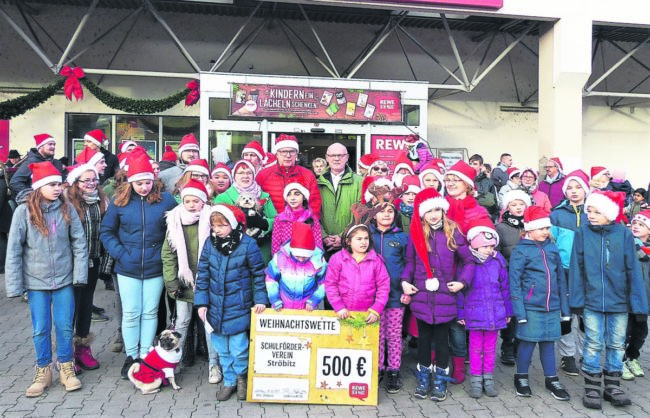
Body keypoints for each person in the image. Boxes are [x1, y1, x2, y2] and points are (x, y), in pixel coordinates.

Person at [5, 161, 87, 397]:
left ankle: (65, 368)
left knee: (63, 326)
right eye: (51, 184)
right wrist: (15, 285)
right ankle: (43, 370)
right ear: (38, 186)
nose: (57, 189)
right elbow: (14, 250)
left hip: (63, 280)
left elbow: (79, 243)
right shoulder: (23, 212)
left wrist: (78, 275)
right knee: (41, 329)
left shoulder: (67, 209)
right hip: (35, 283)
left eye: (59, 184)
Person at [100, 151, 177, 379]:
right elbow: (107, 232)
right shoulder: (118, 202)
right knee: (132, 313)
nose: (144, 187)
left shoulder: (167, 200)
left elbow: (174, 230)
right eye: (139, 183)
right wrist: (121, 254)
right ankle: (131, 356)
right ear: (130, 181)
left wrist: (164, 255)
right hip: (127, 267)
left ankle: (146, 355)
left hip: (155, 266)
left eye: (147, 182)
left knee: (151, 312)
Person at [569, 190, 648, 410]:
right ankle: (592, 386)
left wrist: (638, 305)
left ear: (610, 214)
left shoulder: (623, 234)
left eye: (597, 211)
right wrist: (577, 300)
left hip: (619, 301)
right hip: (592, 301)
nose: (591, 215)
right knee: (593, 343)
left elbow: (633, 269)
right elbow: (577, 267)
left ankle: (612, 386)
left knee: (616, 343)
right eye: (589, 210)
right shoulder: (582, 233)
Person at [400, 188, 474, 402]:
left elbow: (468, 260)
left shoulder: (453, 231)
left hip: (445, 297)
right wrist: (405, 282)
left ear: (443, 210)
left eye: (437, 210)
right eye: (429, 210)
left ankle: (440, 379)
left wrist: (462, 282)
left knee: (442, 341)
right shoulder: (416, 234)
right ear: (421, 213)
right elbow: (411, 262)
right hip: (422, 296)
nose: (433, 214)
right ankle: (424, 378)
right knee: (424, 341)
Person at [194, 204, 268, 401]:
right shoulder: (210, 244)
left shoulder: (248, 244)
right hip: (215, 308)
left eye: (222, 225)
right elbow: (202, 275)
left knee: (239, 347)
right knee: (222, 348)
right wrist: (201, 303)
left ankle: (242, 378)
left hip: (239, 305)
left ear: (233, 224)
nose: (217, 230)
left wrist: (261, 299)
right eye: (214, 226)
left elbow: (259, 275)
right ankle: (229, 381)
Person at [161, 179, 223, 383]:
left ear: (203, 201)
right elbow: (169, 255)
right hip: (184, 282)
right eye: (187, 200)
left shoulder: (212, 220)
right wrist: (171, 282)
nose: (191, 204)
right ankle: (172, 362)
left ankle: (214, 364)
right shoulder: (175, 220)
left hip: (208, 281)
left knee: (208, 323)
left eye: (196, 200)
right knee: (182, 321)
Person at [509, 205, 571, 401]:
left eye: (547, 228)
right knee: (527, 344)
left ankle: (551, 379)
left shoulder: (552, 248)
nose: (546, 232)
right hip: (530, 307)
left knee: (548, 344)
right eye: (541, 228)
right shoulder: (520, 251)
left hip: (551, 307)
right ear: (529, 229)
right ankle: (521, 377)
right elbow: (515, 282)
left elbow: (560, 279)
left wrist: (564, 309)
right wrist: (520, 312)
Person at [460, 217, 512, 399]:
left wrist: (508, 310)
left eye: (492, 246)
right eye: (486, 246)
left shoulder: (498, 262)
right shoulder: (467, 264)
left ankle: (488, 379)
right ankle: (475, 379)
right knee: (475, 348)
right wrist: (460, 312)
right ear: (475, 246)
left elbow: (505, 287)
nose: (490, 250)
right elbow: (460, 289)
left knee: (490, 348)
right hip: (474, 313)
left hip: (495, 313)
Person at [64, 163, 109, 372]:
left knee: (85, 307)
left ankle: (82, 348)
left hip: (93, 261)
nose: (91, 184)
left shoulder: (102, 201)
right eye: (86, 180)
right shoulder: (67, 203)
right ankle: (66, 354)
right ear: (76, 183)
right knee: (70, 308)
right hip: (72, 264)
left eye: (94, 180)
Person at [550, 169, 590, 377]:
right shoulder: (557, 214)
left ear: (586, 189)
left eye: (579, 187)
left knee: (584, 316)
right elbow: (551, 243)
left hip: (586, 271)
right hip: (564, 270)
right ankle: (567, 356)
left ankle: (586, 354)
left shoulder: (592, 212)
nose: (574, 192)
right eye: (570, 188)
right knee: (566, 315)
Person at [369, 199, 408, 394]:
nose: (386, 214)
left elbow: (409, 264)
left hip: (395, 295)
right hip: (371, 296)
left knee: (393, 334)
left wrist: (406, 289)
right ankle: (376, 369)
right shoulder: (366, 235)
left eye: (390, 211)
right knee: (377, 334)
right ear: (374, 214)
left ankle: (393, 370)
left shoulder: (402, 237)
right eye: (381, 211)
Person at [324, 221, 390, 322]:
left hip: (367, 314)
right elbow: (330, 284)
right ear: (348, 241)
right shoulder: (337, 259)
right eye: (359, 239)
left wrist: (376, 308)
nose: (363, 242)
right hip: (342, 312)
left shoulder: (376, 260)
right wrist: (339, 306)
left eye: (366, 238)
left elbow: (384, 286)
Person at [214, 160, 276, 262]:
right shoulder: (223, 198)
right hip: (235, 251)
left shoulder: (264, 196)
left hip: (261, 249)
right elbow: (218, 223)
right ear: (234, 176)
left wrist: (263, 223)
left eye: (249, 173)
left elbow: (275, 219)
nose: (245, 176)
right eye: (241, 173)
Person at [495, 189, 531, 366]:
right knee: (510, 314)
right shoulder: (501, 228)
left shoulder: (531, 225)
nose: (518, 207)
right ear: (507, 207)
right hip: (509, 277)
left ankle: (520, 345)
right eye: (513, 204)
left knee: (525, 314)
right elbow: (497, 254)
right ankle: (507, 346)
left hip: (529, 278)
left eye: (521, 204)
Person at [265, 222, 327, 311]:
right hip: (283, 307)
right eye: (297, 256)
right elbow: (271, 279)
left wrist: (315, 299)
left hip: (308, 309)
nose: (301, 259)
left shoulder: (318, 261)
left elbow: (325, 282)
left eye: (305, 257)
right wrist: (275, 299)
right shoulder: (280, 258)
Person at [256, 134, 321, 216]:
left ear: (296, 154)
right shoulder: (263, 175)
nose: (288, 155)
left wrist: (308, 222)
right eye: (284, 152)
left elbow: (315, 203)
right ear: (277, 154)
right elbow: (256, 199)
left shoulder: (307, 174)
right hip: (271, 225)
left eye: (292, 151)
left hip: (299, 225)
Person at [318, 143, 362, 257]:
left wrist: (344, 236)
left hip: (351, 246)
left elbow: (362, 214)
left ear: (347, 157)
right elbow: (312, 213)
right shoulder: (317, 183)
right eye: (333, 155)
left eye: (340, 155)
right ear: (327, 158)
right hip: (323, 247)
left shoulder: (359, 182)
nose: (336, 158)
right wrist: (323, 236)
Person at [622, 210, 650, 380]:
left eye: (642, 225)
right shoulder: (628, 245)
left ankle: (633, 357)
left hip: (645, 299)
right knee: (625, 331)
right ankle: (621, 361)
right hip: (628, 297)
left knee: (641, 331)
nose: (636, 227)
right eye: (635, 224)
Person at [271, 180, 322, 256]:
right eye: (289, 195)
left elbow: (318, 244)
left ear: (304, 197)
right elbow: (276, 244)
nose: (292, 198)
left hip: (307, 260)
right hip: (285, 260)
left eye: (297, 194)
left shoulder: (312, 218)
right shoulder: (280, 218)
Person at [9, 134, 66, 198]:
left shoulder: (57, 163)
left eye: (54, 144)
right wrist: (31, 196)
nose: (53, 147)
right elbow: (15, 182)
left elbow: (62, 182)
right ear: (40, 147)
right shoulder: (30, 162)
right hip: (36, 204)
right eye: (50, 144)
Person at [444, 160, 490, 235]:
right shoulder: (440, 208)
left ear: (467, 185)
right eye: (447, 180)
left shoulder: (479, 213)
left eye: (455, 180)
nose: (450, 184)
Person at [468, 154, 498, 222]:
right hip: (468, 217)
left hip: (484, 217)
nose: (472, 166)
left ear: (481, 166)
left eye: (475, 164)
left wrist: (492, 219)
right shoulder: (464, 180)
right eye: (470, 163)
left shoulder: (488, 182)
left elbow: (494, 203)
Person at [0, 161, 12, 274]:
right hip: (3, 214)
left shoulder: (0, 180)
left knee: (1, 240)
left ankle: (1, 266)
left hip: (2, 215)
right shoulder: (3, 178)